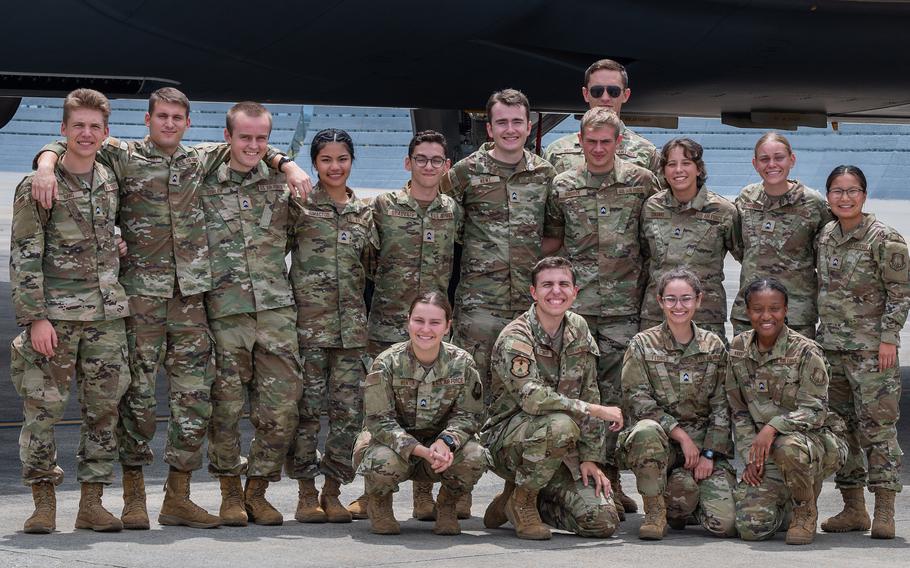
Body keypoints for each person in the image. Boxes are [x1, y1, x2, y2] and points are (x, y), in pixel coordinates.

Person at [30, 87, 312, 530]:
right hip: (140, 299)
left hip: (190, 302)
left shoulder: (200, 159)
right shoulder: (123, 156)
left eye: (177, 117)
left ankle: (177, 496)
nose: (169, 124)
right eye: (161, 116)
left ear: (188, 123)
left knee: (193, 401)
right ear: (147, 120)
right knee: (136, 400)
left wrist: (289, 163)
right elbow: (73, 139)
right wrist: (45, 163)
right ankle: (133, 498)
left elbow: (252, 143)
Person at [10, 88, 131, 533]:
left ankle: (92, 504)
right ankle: (43, 504)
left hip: (105, 319)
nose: (86, 133)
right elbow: (24, 255)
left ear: (105, 133)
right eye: (77, 125)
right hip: (56, 319)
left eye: (94, 126)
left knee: (103, 413)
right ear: (62, 130)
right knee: (42, 412)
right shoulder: (38, 185)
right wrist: (35, 317)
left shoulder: (109, 178)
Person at [542, 106, 660, 516]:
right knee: (571, 394)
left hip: (624, 307)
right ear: (580, 141)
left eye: (605, 142)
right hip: (574, 309)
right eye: (590, 142)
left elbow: (652, 237)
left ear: (618, 142)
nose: (597, 149)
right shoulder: (562, 185)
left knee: (615, 397)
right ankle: (564, 479)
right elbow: (554, 241)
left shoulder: (641, 181)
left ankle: (613, 477)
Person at [350, 131, 463, 521]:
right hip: (388, 324)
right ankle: (372, 492)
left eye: (435, 160)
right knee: (380, 412)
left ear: (445, 166)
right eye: (421, 158)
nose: (428, 166)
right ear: (407, 163)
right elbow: (368, 258)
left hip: (431, 326)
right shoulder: (384, 206)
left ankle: (422, 496)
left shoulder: (452, 209)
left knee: (428, 411)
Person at [202, 102, 303, 527]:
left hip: (275, 312)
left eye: (262, 138)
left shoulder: (281, 185)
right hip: (225, 314)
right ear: (227, 137)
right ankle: (229, 492)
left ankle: (257, 490)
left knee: (282, 408)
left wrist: (287, 164)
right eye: (245, 137)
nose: (254, 146)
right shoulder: (202, 178)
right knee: (224, 408)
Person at [481, 257, 623, 540]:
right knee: (560, 424)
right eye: (547, 285)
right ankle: (523, 501)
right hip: (510, 443)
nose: (555, 291)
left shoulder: (578, 328)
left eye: (563, 284)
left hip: (561, 447)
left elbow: (590, 388)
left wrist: (590, 458)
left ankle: (514, 501)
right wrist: (595, 409)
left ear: (575, 291)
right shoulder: (516, 335)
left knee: (603, 522)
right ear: (533, 292)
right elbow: (533, 398)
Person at [286, 128, 379, 524]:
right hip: (308, 329)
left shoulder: (366, 212)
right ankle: (306, 492)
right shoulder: (300, 206)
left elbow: (372, 267)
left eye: (342, 159)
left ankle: (333, 490)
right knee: (306, 413)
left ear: (352, 161)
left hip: (352, 334)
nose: (334, 167)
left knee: (348, 416)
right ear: (314, 163)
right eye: (326, 159)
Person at [816, 165, 909, 539]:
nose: (845, 197)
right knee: (842, 429)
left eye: (852, 190)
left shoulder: (885, 239)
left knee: (878, 429)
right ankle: (853, 508)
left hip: (873, 352)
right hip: (833, 349)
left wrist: (889, 337)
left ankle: (885, 509)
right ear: (828, 197)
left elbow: (901, 293)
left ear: (864, 195)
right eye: (837, 191)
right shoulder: (826, 235)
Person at [442, 88, 555, 396]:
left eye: (517, 122)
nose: (510, 129)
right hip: (479, 304)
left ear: (528, 126)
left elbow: (554, 234)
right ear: (489, 129)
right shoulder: (465, 172)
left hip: (528, 305)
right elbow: (441, 218)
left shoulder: (544, 173)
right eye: (502, 122)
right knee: (472, 388)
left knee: (525, 387)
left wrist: (523, 257)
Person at [726, 278, 847, 545]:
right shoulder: (737, 349)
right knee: (751, 528)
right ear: (747, 312)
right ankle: (787, 500)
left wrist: (773, 426)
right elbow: (738, 409)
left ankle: (805, 510)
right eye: (758, 309)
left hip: (813, 443)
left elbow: (816, 410)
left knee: (787, 446)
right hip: (764, 450)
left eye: (775, 308)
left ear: (786, 310)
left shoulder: (805, 351)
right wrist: (750, 457)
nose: (766, 316)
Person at [355, 291, 486, 536]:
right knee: (379, 459)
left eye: (435, 322)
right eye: (419, 321)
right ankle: (380, 503)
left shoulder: (462, 363)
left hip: (440, 451)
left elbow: (468, 415)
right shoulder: (386, 363)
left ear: (448, 326)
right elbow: (379, 421)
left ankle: (447, 504)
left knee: (475, 455)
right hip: (397, 450)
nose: (426, 329)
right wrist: (420, 450)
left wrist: (446, 442)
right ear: (408, 322)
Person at [619, 268, 736, 540]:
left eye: (685, 298)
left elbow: (722, 403)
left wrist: (709, 454)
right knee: (646, 429)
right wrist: (680, 436)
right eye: (670, 299)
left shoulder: (713, 346)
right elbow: (638, 400)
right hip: (659, 446)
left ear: (698, 299)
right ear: (660, 301)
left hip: (702, 452)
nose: (678, 306)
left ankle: (684, 500)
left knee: (725, 524)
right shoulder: (642, 345)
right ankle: (654, 512)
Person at [731, 132, 832, 337]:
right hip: (750, 312)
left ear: (791, 160)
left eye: (779, 157)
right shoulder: (746, 198)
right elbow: (739, 245)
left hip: (795, 315)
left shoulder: (813, 203)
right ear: (755, 163)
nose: (772, 164)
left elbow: (826, 249)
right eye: (764, 159)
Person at [639, 138, 739, 341]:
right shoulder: (651, 208)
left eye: (686, 163)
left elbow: (745, 254)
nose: (678, 170)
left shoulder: (723, 211)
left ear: (699, 169)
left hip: (705, 318)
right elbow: (643, 253)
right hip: (657, 316)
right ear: (664, 171)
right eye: (671, 164)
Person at [543, 58, 660, 176]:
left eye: (613, 91)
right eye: (597, 91)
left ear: (625, 95)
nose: (605, 98)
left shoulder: (647, 152)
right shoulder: (556, 152)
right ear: (586, 94)